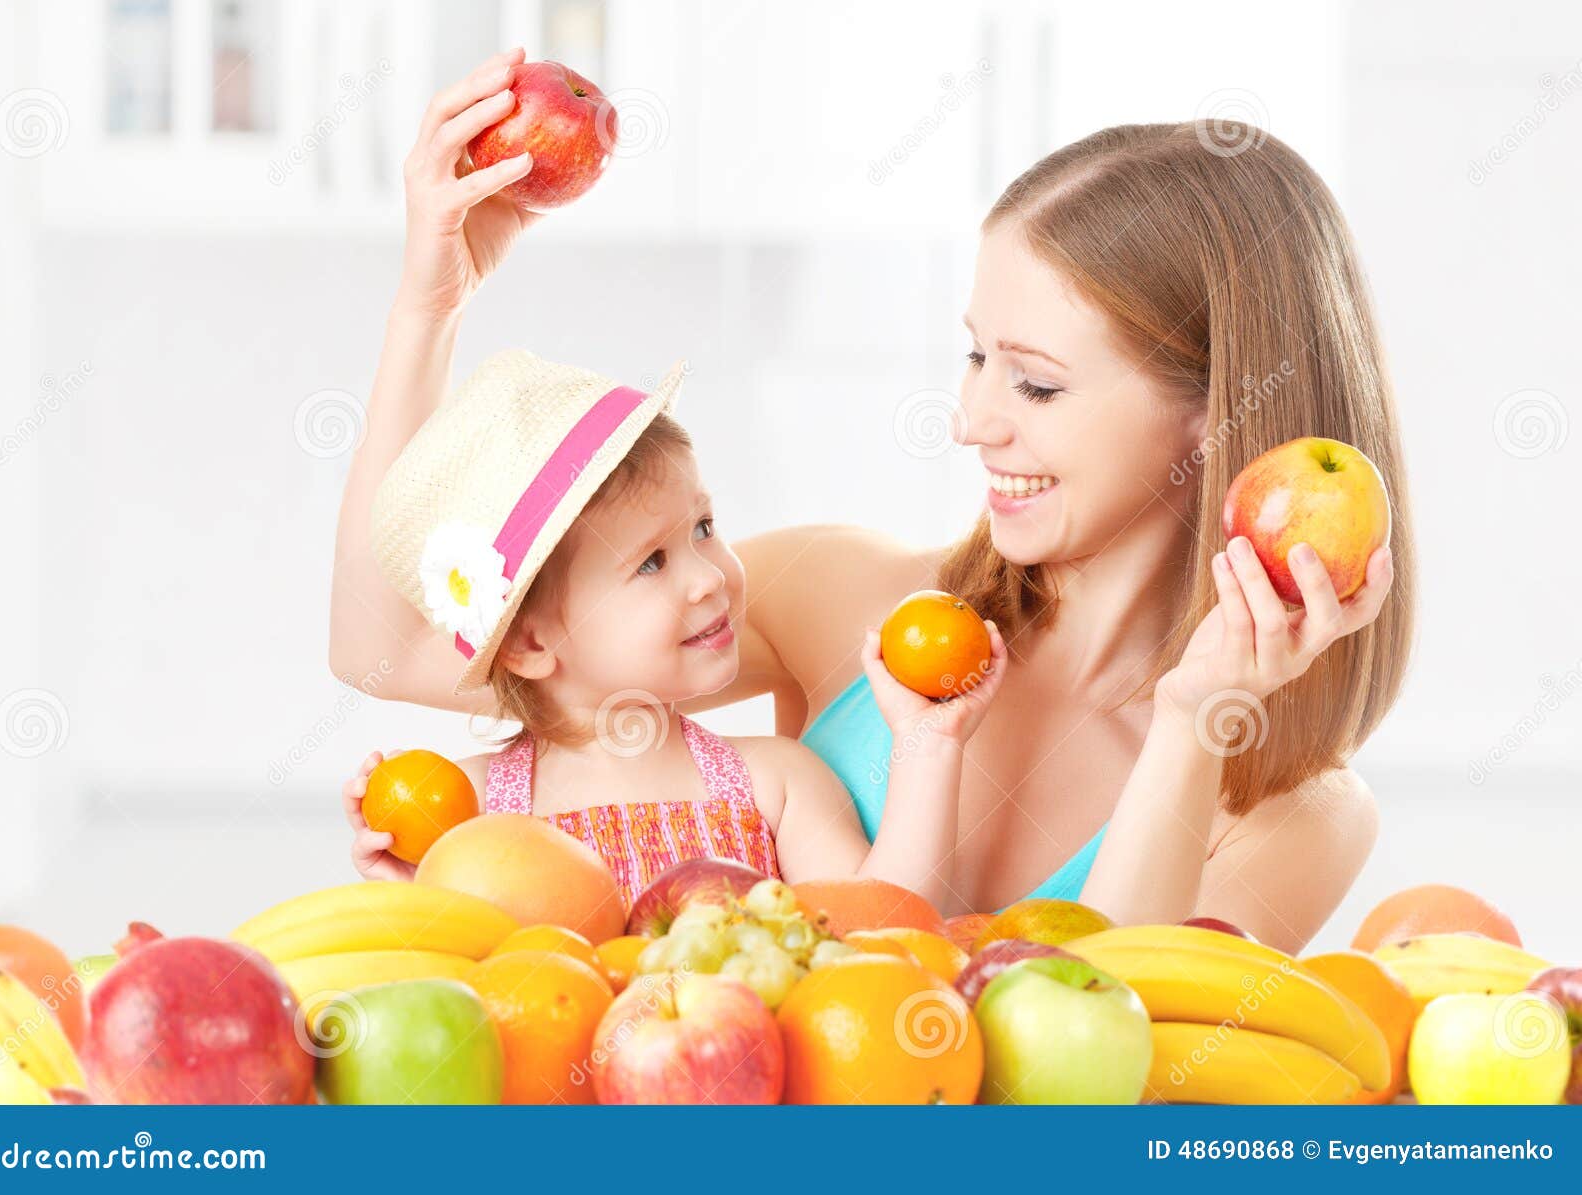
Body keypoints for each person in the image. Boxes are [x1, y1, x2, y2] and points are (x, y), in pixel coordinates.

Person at [328, 48, 1411, 952]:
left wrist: (1189, 721)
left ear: (1219, 412)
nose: (972, 420)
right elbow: (386, 652)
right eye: (975, 357)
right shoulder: (843, 593)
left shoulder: (1291, 807)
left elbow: (1098, 1081)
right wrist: (430, 303)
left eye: (1034, 381)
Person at [342, 345, 1005, 907]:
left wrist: (928, 747)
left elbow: (884, 933)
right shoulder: (471, 812)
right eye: (652, 562)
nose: (710, 576)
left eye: (704, 527)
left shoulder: (776, 782)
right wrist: (412, 894)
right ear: (532, 642)